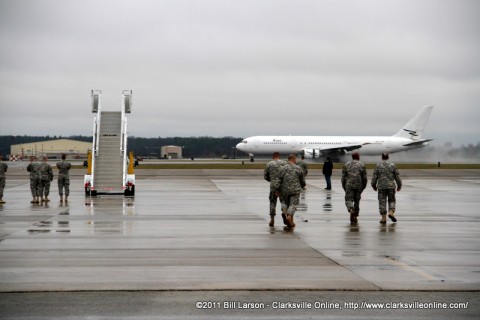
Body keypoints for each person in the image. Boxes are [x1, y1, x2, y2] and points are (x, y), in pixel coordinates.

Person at [275, 154, 306, 229]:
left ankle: (284, 212)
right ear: (294, 159)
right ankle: (289, 216)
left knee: (284, 203)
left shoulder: (282, 168)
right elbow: (302, 181)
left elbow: (278, 180)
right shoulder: (298, 168)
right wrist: (302, 186)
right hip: (295, 190)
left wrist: (277, 190)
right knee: (293, 204)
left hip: (284, 190)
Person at [371, 153, 402, 223]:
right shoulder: (392, 165)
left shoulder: (378, 165)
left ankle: (383, 218)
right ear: (388, 157)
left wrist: (373, 186)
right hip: (391, 186)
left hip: (381, 186)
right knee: (392, 200)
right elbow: (397, 177)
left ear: (382, 157)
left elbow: (374, 177)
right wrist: (399, 185)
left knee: (382, 202)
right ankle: (391, 212)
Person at [341, 152, 367, 224]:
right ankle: (355, 216)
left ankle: (351, 210)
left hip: (349, 185)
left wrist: (344, 186)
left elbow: (343, 177)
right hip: (358, 185)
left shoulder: (347, 164)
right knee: (357, 201)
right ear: (358, 157)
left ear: (352, 157)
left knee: (348, 200)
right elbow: (364, 178)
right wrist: (363, 186)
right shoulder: (362, 165)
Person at [264, 152, 287, 227]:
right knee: (283, 201)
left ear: (273, 156)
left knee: (272, 202)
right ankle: (284, 211)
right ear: (279, 156)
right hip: (283, 185)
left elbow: (265, 176)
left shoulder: (269, 164)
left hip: (273, 186)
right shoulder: (284, 163)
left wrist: (272, 180)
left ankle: (272, 219)